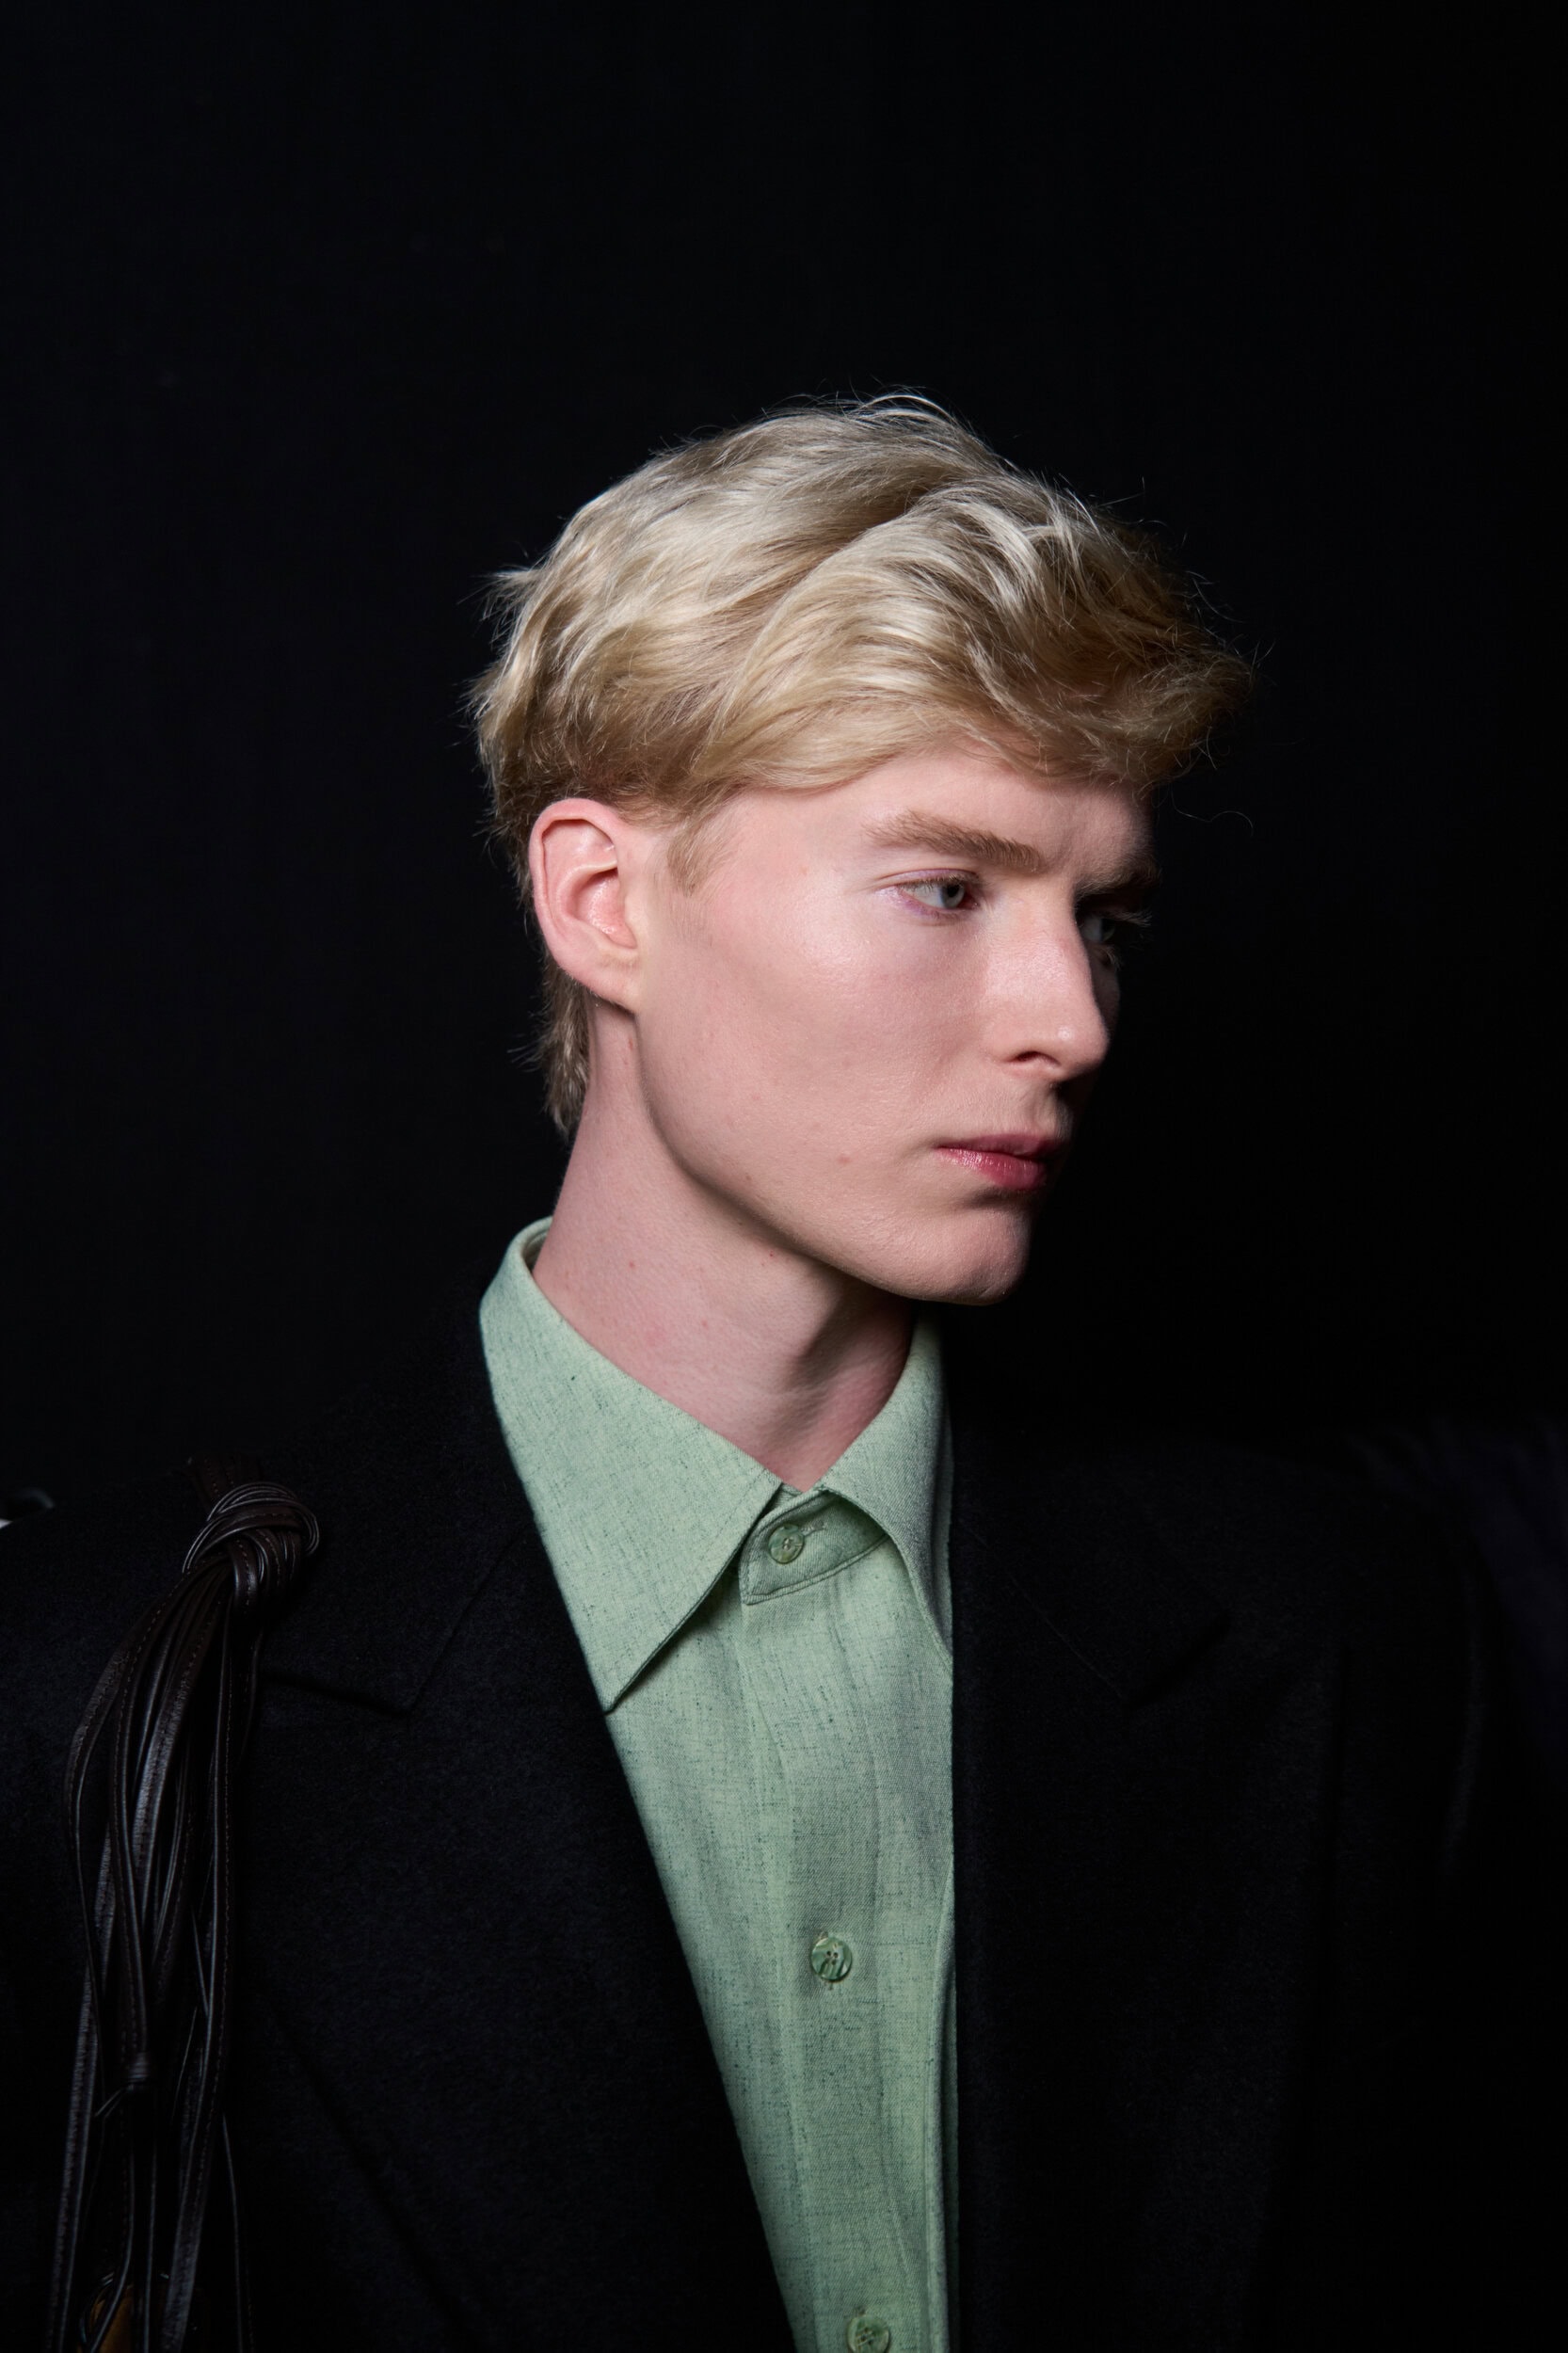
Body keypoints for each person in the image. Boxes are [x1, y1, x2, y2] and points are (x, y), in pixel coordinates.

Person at [1, 400, 1557, 2351]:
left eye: (1102, 915)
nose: (1070, 1019)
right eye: (946, 887)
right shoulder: (107, 1691)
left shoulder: (1351, 1635)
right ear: (603, 901)